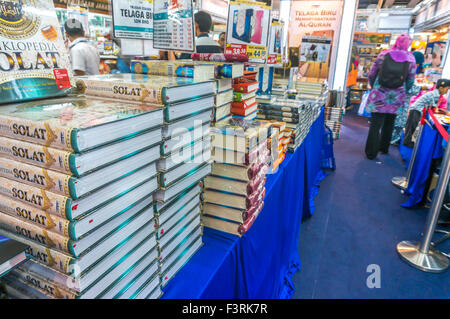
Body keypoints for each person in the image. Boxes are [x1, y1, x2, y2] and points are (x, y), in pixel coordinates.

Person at [364, 33, 416, 160]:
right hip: (397, 96)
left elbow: (372, 73)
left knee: (375, 124)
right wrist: (403, 90)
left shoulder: (383, 55)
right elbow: (410, 80)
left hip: (379, 93)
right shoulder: (411, 59)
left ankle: (371, 152)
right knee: (390, 122)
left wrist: (374, 86)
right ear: (408, 44)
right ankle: (384, 148)